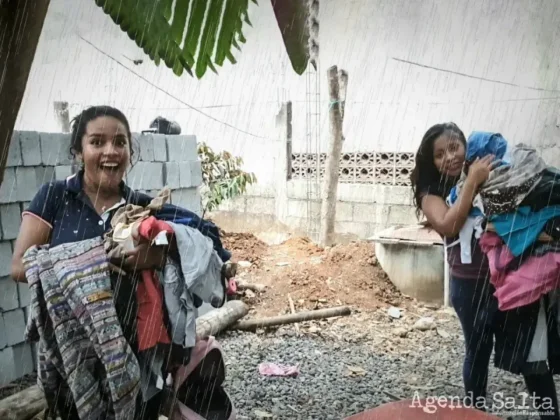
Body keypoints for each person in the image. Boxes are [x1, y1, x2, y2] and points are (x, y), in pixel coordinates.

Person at [12, 106, 168, 420]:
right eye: (97, 142)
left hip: (132, 346)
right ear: (79, 152)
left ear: (129, 152)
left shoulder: (140, 207)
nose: (110, 151)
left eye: (120, 142)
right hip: (72, 351)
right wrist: (87, 262)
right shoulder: (55, 197)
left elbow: (167, 256)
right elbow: (19, 265)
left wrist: (148, 257)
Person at [410, 122, 560, 419]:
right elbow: (449, 223)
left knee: (531, 357)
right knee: (477, 355)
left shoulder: (494, 173)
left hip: (511, 281)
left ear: (466, 148)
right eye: (439, 154)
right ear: (431, 161)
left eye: (454, 148)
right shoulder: (432, 193)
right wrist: (472, 182)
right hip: (469, 288)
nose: (449, 157)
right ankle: (475, 414)